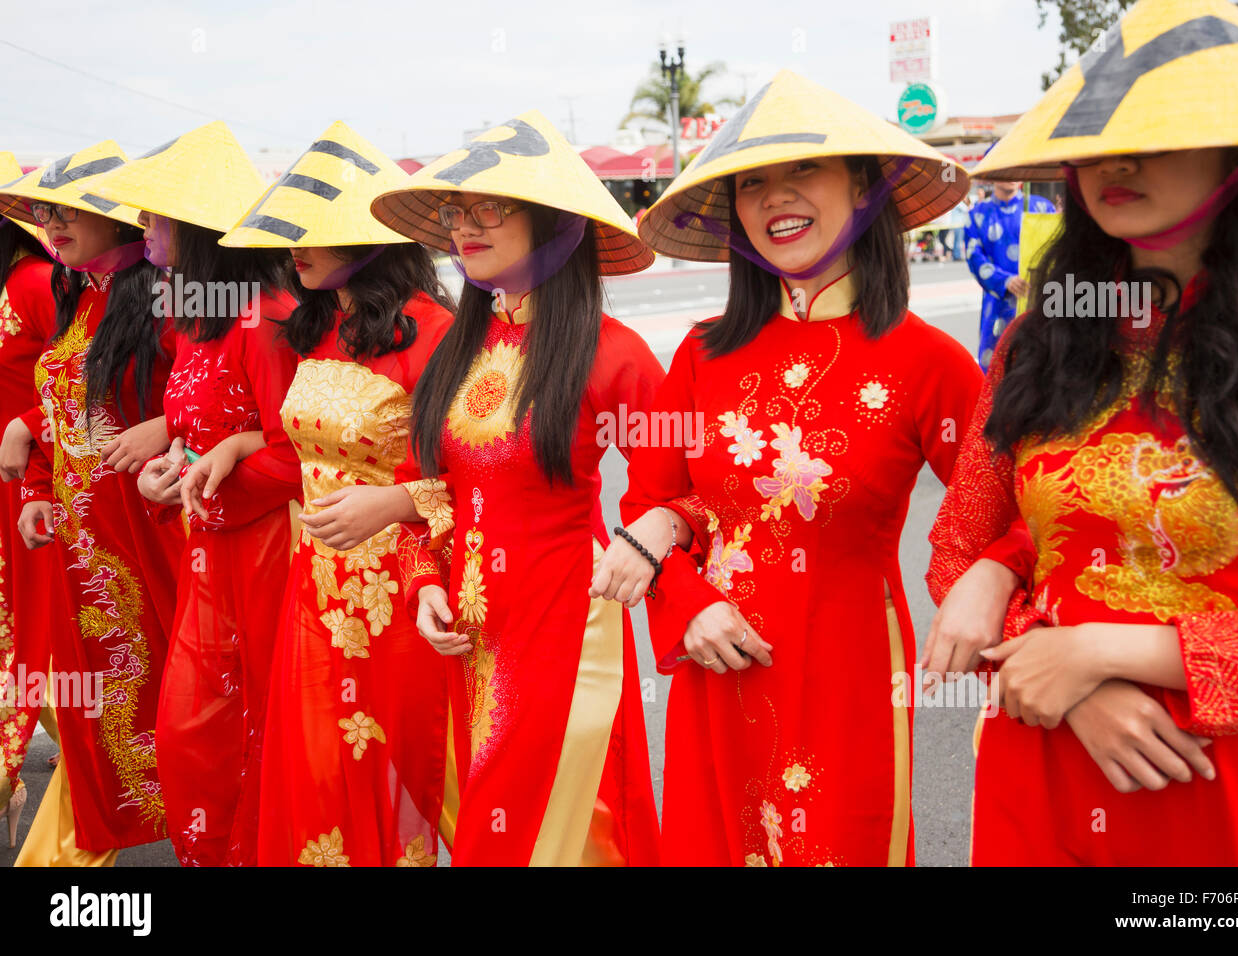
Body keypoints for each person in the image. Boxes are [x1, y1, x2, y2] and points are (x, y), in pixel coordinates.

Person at [926, 0, 1238, 865]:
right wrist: (1061, 675)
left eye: (1158, 134)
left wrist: (1100, 649)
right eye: (1093, 137)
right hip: (1045, 759)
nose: (1114, 162)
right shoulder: (1042, 336)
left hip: (1231, 786)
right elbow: (955, 542)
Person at [600, 69, 1001, 866]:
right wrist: (688, 604)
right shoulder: (701, 355)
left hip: (849, 680)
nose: (776, 198)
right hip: (714, 673)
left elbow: (1011, 515)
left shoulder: (930, 363)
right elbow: (651, 504)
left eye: (802, 172)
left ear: (862, 189)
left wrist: (984, 584)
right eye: (753, 184)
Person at [371, 109, 662, 866]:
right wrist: (424, 584)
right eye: (455, 211)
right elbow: (425, 488)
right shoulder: (457, 349)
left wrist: (652, 541)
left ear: (557, 225)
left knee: (551, 836)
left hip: (570, 634)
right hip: (476, 644)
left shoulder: (615, 356)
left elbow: (679, 491)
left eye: (490, 208)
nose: (466, 226)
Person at [210, 121, 457, 866]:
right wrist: (239, 440)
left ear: (369, 235)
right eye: (292, 230)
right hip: (313, 584)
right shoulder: (317, 325)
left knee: (394, 764)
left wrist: (390, 504)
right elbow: (300, 437)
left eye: (315, 230)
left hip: (399, 589)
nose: (296, 245)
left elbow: (466, 479)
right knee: (317, 764)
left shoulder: (437, 333)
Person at [84, 121, 301, 866]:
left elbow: (295, 456)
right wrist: (169, 468)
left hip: (268, 551)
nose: (142, 226)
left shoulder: (264, 321)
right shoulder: (194, 318)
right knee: (192, 733)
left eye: (155, 213)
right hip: (208, 549)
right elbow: (191, 429)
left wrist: (213, 472)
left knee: (260, 723)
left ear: (197, 224)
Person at [0, 141, 182, 866]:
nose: (55, 222)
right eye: (47, 210)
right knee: (93, 703)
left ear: (122, 220)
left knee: (176, 692)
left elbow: (216, 397)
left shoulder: (168, 298)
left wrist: (170, 429)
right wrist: (41, 486)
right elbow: (67, 400)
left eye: (74, 209)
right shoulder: (83, 294)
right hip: (83, 539)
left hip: (151, 528)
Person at [0, 151, 60, 848]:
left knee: (27, 630)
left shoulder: (37, 282)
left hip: (34, 492)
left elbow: (92, 376)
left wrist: (30, 426)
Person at [964, 178, 1055, 370]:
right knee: (997, 364)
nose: (1012, 177)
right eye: (1005, 172)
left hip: (1038, 299)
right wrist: (1005, 280)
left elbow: (1056, 248)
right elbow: (974, 256)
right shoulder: (977, 214)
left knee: (1042, 361)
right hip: (997, 303)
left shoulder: (1041, 207)